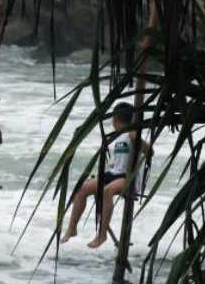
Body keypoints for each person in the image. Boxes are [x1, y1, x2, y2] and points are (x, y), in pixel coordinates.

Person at [61, 102, 148, 249]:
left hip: (128, 178)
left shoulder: (132, 134)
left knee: (108, 190)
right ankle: (72, 229)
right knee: (82, 189)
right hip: (114, 173)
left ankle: (102, 235)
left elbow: (149, 151)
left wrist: (137, 138)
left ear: (114, 119)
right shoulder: (116, 137)